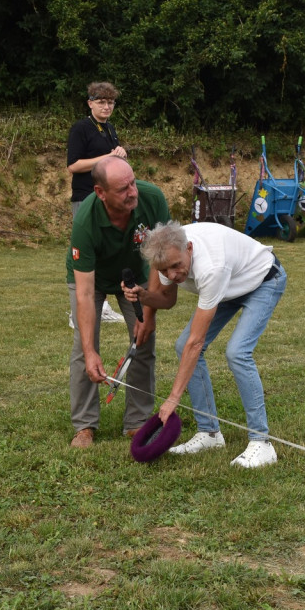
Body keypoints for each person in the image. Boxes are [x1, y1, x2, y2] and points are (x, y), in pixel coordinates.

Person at [124, 221, 287, 468]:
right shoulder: (166, 256)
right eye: (164, 270)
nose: (172, 275)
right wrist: (144, 295)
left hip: (263, 279)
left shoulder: (211, 267)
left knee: (237, 352)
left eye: (176, 267)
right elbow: (167, 301)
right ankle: (210, 433)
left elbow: (196, 342)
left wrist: (173, 398)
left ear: (189, 248)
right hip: (229, 287)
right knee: (182, 346)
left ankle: (262, 443)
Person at [66, 156, 169, 448]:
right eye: (123, 189)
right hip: (93, 278)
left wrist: (147, 314)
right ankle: (84, 425)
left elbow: (160, 263)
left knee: (143, 340)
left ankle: (137, 422)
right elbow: (85, 293)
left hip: (136, 275)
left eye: (133, 183)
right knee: (83, 347)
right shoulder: (85, 219)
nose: (133, 192)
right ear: (101, 193)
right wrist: (90, 352)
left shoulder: (152, 199)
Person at [66, 81, 127, 219]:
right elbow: (73, 166)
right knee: (85, 240)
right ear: (90, 103)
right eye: (101, 102)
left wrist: (121, 155)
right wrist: (109, 157)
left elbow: (111, 158)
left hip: (109, 197)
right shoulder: (80, 128)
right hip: (86, 198)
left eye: (111, 103)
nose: (106, 107)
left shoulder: (110, 128)